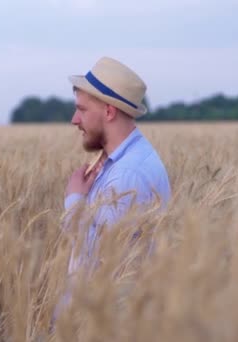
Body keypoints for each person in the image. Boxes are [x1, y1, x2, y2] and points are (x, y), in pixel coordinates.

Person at [51, 56, 171, 325]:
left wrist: (74, 200)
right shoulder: (121, 163)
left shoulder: (126, 175)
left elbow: (97, 264)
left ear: (108, 112)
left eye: (81, 109)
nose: (74, 119)